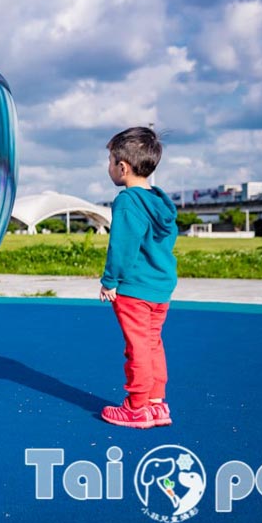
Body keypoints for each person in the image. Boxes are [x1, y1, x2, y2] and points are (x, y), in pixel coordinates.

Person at [98, 127, 178, 429]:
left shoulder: (128, 201)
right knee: (153, 343)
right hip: (160, 288)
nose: (109, 167)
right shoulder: (160, 203)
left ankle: (136, 407)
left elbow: (123, 245)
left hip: (135, 289)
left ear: (122, 166)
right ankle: (156, 403)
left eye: (109, 161)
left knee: (138, 347)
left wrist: (110, 280)